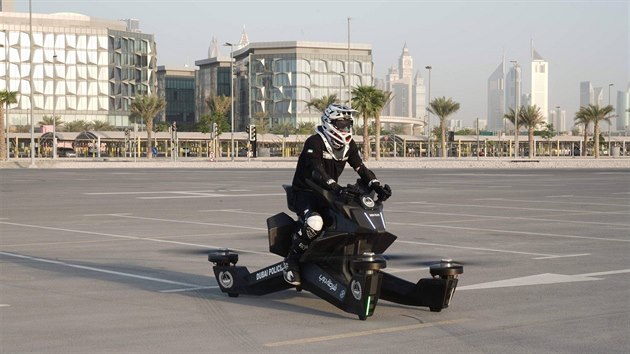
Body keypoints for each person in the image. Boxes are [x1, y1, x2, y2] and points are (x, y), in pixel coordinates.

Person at [283, 103, 392, 286]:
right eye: (341, 125)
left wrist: (376, 185)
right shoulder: (314, 142)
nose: (345, 129)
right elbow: (315, 170)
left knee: (347, 220)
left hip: (328, 192)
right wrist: (335, 186)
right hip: (305, 192)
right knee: (315, 223)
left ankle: (337, 260)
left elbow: (360, 168)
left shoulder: (348, 146)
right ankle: (291, 261)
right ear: (330, 123)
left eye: (348, 125)